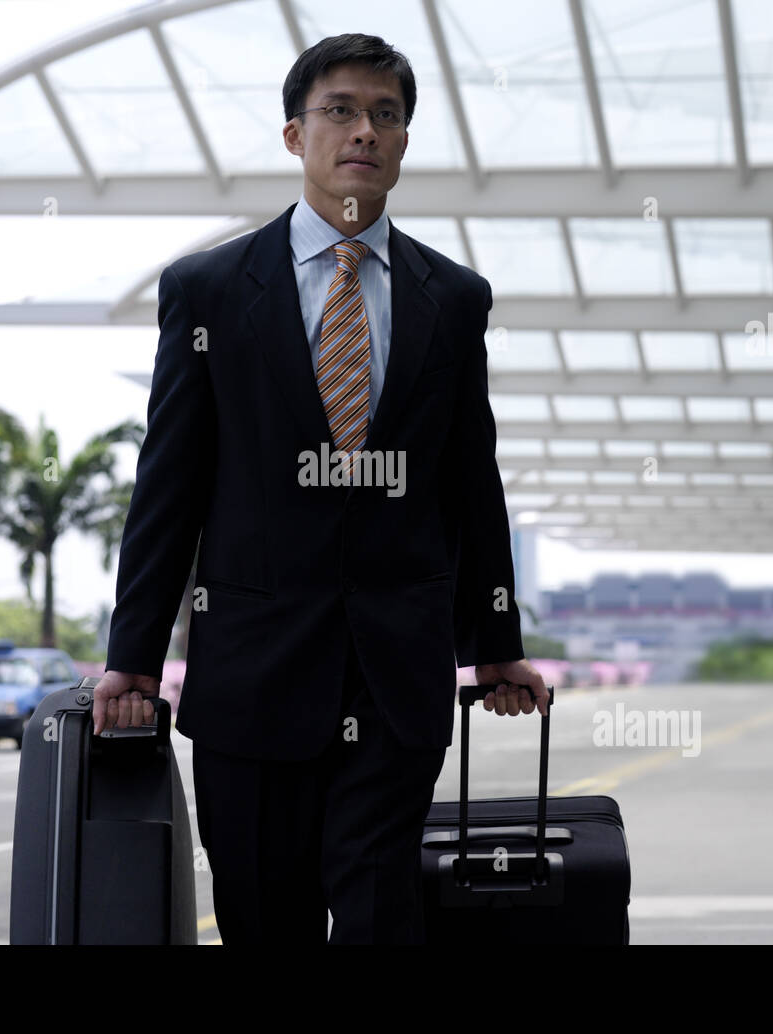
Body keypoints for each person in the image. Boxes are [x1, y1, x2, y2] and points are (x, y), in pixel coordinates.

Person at [92, 32, 549, 944]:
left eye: (386, 115)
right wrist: (134, 657)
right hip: (252, 675)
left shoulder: (454, 298)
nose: (365, 131)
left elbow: (472, 477)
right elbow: (170, 482)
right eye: (340, 110)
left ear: (406, 143)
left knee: (383, 910)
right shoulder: (210, 290)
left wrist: (494, 640)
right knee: (266, 918)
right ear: (296, 135)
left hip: (396, 676)